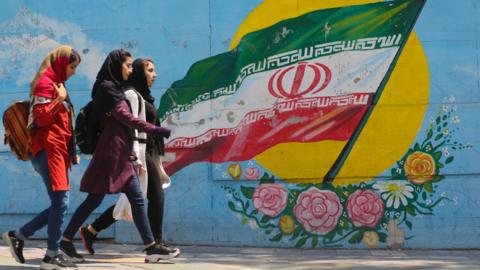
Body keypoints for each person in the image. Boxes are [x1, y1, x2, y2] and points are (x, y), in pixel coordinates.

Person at [59, 49, 176, 263]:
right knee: (93, 201)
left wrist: (133, 154)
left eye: (132, 66)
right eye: (128, 65)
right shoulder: (107, 89)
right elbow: (125, 118)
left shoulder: (115, 88)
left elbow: (121, 128)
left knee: (137, 200)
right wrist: (156, 130)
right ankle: (65, 241)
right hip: (110, 155)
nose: (131, 70)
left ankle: (151, 247)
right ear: (116, 65)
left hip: (121, 153)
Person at [2, 45, 81, 270]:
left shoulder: (57, 83)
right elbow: (41, 118)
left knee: (59, 203)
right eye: (72, 66)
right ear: (60, 63)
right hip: (48, 149)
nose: (74, 71)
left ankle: (23, 237)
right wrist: (59, 100)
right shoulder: (45, 84)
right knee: (61, 202)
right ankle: (49, 254)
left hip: (56, 151)